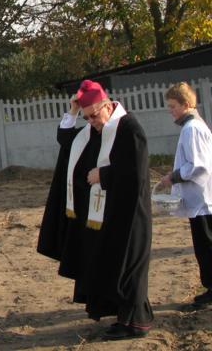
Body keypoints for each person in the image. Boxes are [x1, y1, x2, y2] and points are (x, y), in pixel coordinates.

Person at [37, 79, 153, 340]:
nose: (92, 122)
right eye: (87, 117)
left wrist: (103, 175)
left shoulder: (129, 128)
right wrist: (73, 111)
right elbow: (66, 141)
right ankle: (124, 319)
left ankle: (137, 323)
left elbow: (137, 171)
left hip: (129, 214)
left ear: (107, 106)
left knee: (128, 267)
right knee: (108, 265)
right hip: (105, 216)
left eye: (94, 116)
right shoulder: (93, 132)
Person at [158, 82, 212, 308]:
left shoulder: (192, 129)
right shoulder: (193, 126)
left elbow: (198, 166)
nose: (170, 110)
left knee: (206, 246)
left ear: (187, 104)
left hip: (202, 200)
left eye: (173, 106)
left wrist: (173, 177)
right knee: (205, 245)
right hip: (201, 199)